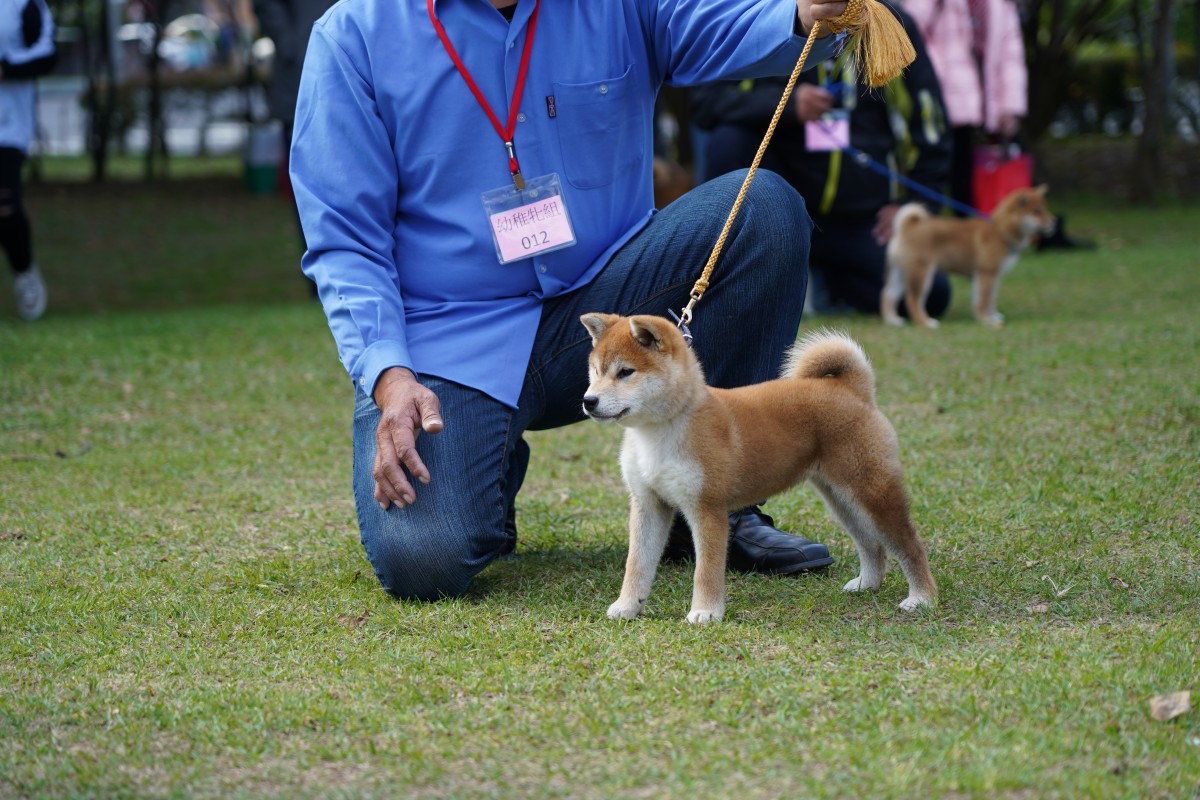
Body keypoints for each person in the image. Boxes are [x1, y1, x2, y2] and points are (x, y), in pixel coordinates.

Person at [291, 0, 853, 601]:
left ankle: (721, 503)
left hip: (609, 300)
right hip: (448, 338)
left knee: (761, 208)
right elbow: (345, 240)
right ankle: (488, 459)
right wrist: (389, 376)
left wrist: (803, 12)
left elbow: (723, 23)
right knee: (423, 561)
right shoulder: (354, 33)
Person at [691, 4, 953, 318]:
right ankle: (748, 271)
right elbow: (707, 103)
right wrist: (787, 105)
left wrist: (915, 205)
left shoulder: (889, 23)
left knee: (932, 292)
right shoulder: (761, 15)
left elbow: (929, 124)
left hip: (861, 219)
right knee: (729, 139)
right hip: (782, 218)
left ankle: (826, 278)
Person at [899, 0, 1026, 215]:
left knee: (965, 177)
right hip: (938, 96)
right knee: (934, 168)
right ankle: (925, 229)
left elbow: (1010, 53)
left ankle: (968, 234)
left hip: (979, 102)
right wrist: (932, 77)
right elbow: (908, 29)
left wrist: (1009, 105)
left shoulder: (1001, 5)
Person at [252, 0, 335, 295]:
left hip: (351, 83)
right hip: (297, 85)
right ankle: (320, 279)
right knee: (308, 191)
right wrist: (291, 45)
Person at [0, 0, 55, 321]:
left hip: (7, 125)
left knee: (5, 204)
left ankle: (24, 271)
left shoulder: (23, 4)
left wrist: (6, 67)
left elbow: (47, 54)